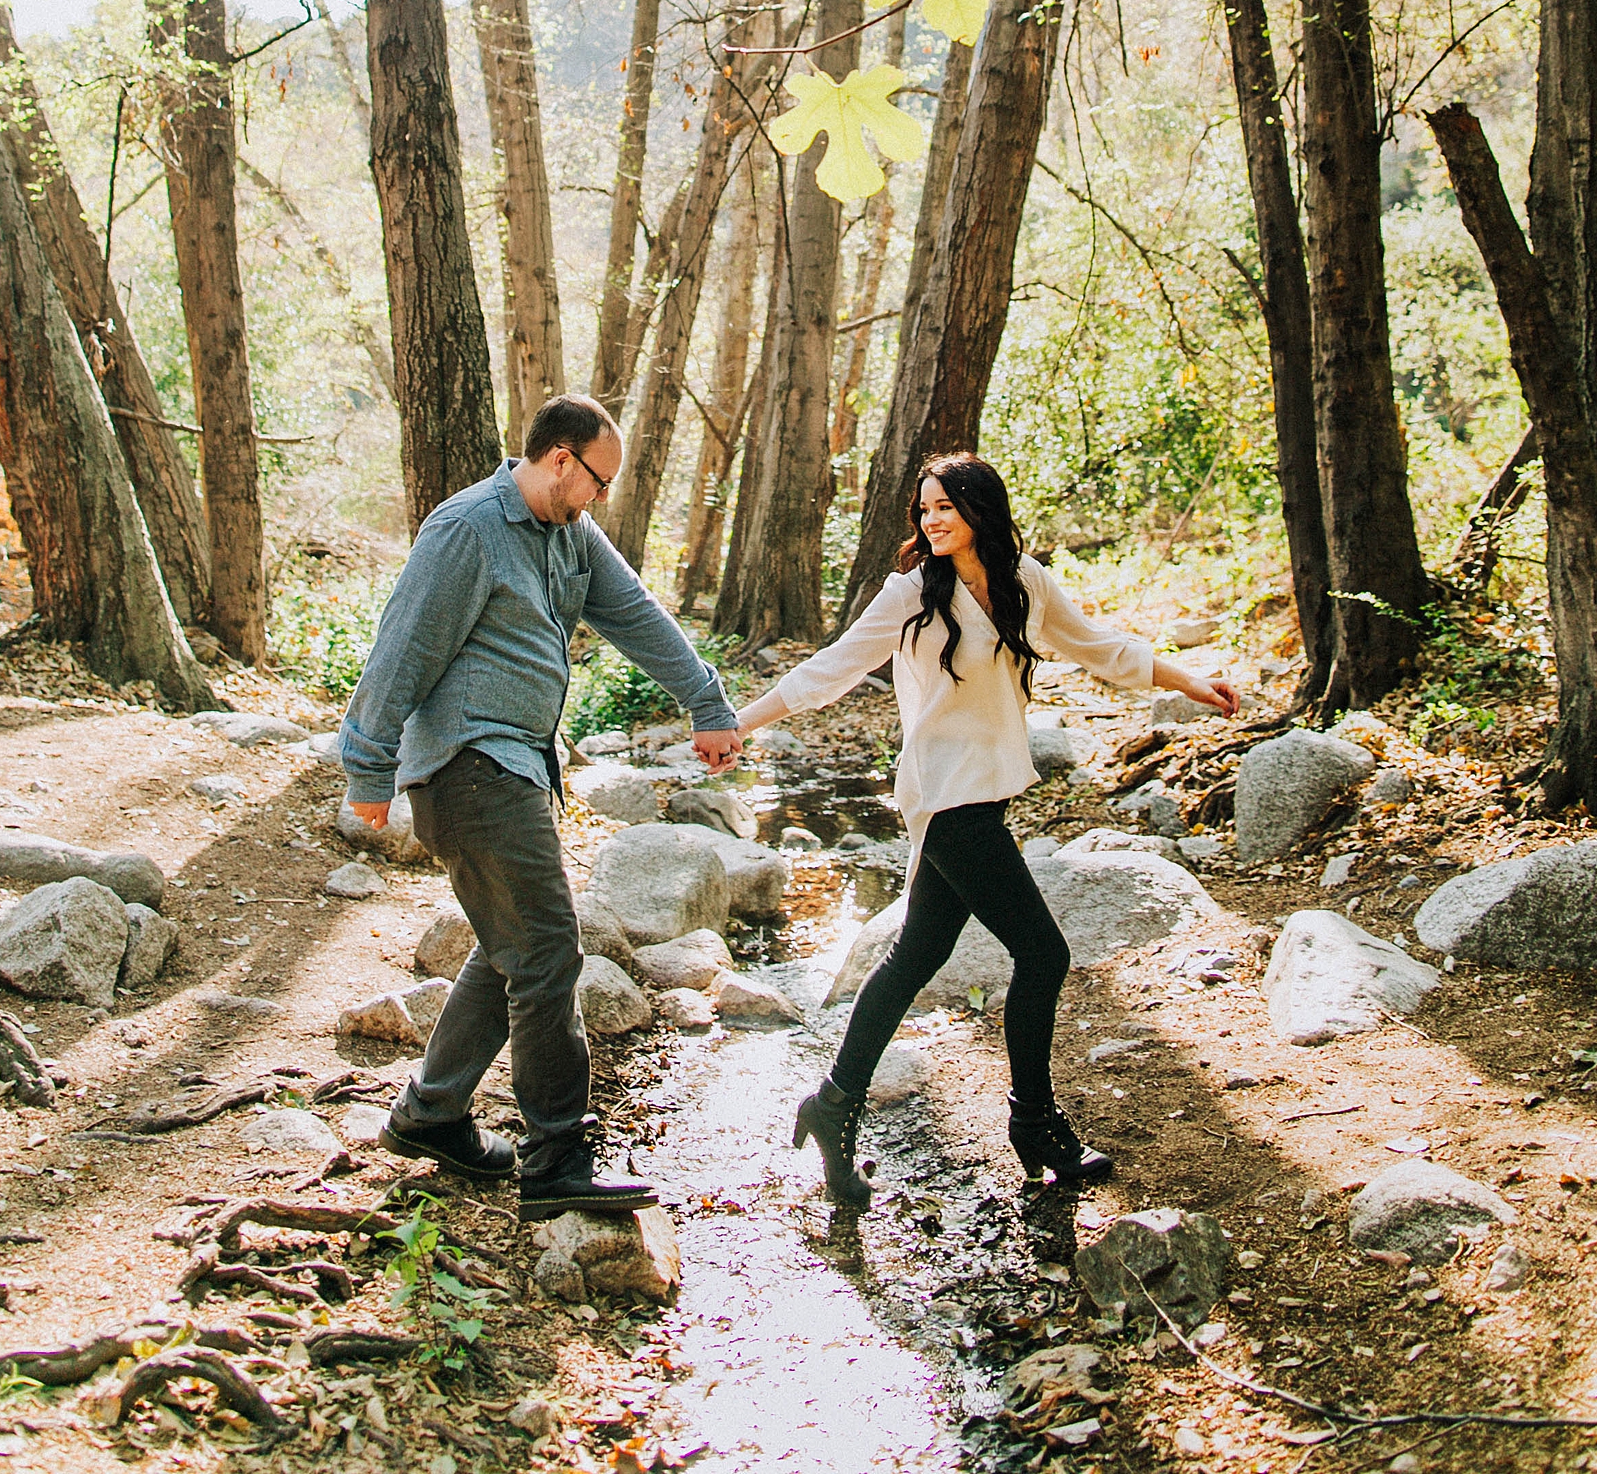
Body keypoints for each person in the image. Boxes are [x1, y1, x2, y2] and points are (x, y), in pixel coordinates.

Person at [733, 451, 1238, 1209]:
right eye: (924, 510)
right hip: (945, 798)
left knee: (914, 956)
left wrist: (1188, 680)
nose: (932, 521)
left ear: (980, 512)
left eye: (945, 508)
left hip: (984, 796)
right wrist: (734, 724)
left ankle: (833, 1106)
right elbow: (829, 671)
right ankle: (1034, 1125)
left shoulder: (1023, 581)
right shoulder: (910, 594)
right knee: (1043, 953)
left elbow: (1099, 645)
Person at [339, 392, 744, 1216]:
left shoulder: (571, 535)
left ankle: (430, 1114)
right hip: (467, 766)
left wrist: (707, 701)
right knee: (551, 949)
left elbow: (636, 616)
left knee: (508, 950)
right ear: (561, 459)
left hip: (519, 767)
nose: (603, 497)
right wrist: (368, 769)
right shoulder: (467, 530)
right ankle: (556, 1156)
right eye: (600, 480)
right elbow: (402, 650)